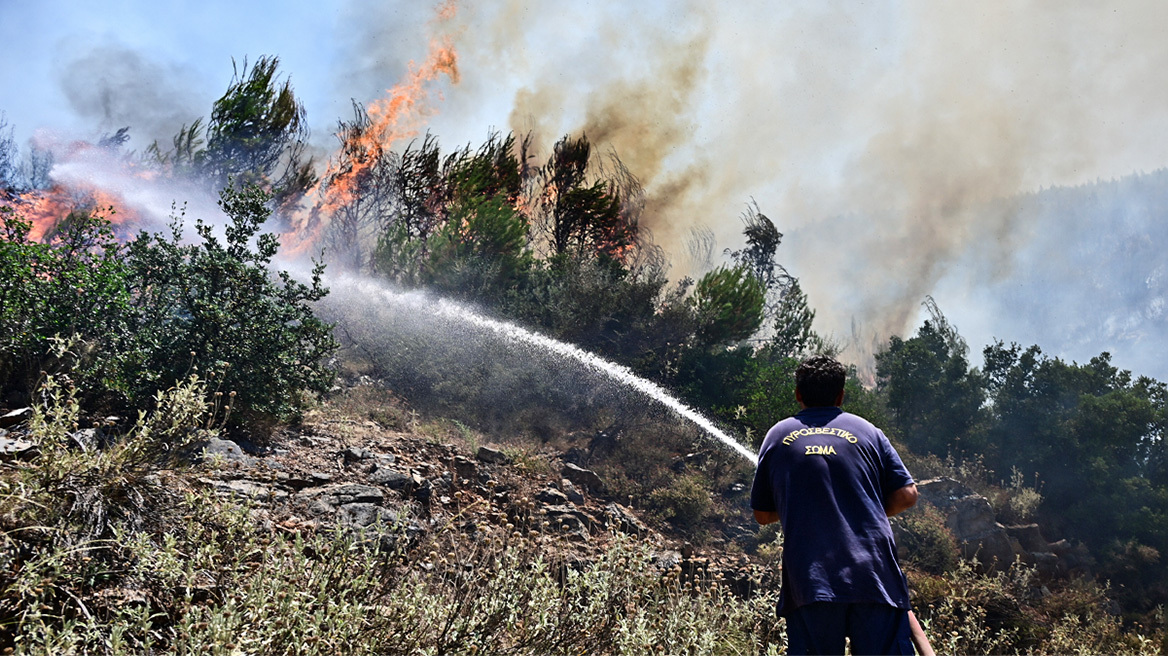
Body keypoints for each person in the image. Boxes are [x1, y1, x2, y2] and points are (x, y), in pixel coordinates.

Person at [751, 355, 926, 655]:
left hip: (812, 580)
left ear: (798, 394)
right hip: (874, 576)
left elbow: (763, 514)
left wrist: (806, 503)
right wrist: (858, 506)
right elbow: (907, 495)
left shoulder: (778, 436)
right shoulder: (869, 432)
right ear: (841, 394)